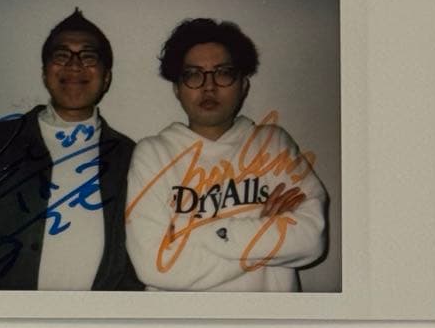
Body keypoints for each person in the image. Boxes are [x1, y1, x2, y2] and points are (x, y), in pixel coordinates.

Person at [0, 9, 142, 290]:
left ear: (106, 77)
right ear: (45, 74)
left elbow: (137, 254)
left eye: (88, 56)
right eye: (61, 55)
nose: (74, 65)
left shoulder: (129, 156)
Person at [125, 18, 327, 291]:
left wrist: (196, 234)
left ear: (243, 84)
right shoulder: (153, 154)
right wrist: (263, 228)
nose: (209, 86)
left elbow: (311, 239)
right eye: (193, 74)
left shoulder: (273, 143)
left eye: (223, 73)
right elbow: (154, 265)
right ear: (177, 88)